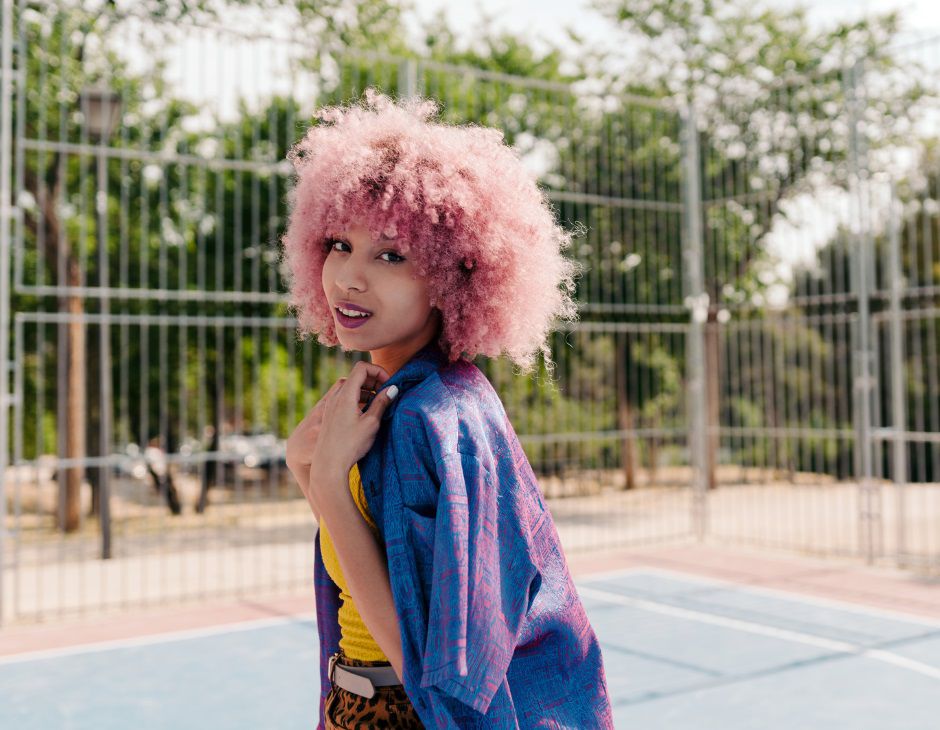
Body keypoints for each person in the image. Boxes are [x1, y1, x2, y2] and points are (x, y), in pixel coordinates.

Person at [281, 88, 614, 729]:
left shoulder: (428, 418)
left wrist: (324, 483)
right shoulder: (406, 399)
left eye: (390, 255)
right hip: (353, 706)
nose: (348, 277)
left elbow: (434, 667)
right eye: (338, 245)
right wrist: (308, 467)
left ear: (455, 275)